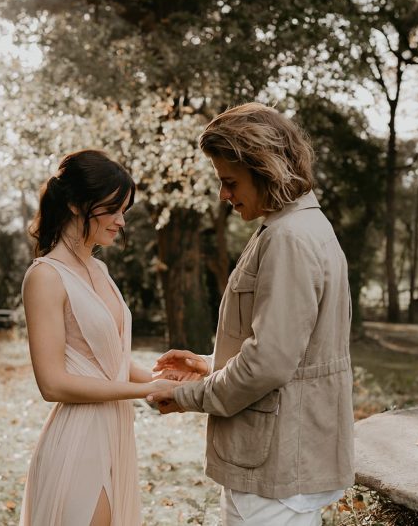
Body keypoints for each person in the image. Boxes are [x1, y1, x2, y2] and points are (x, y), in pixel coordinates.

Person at [148, 103, 354, 525]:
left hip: (277, 467)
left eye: (230, 181)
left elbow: (269, 364)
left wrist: (186, 396)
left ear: (266, 170)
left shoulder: (289, 238)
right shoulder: (295, 228)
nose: (224, 195)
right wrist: (208, 363)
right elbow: (290, 349)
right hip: (278, 460)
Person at [18, 149, 180, 526]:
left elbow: (109, 361)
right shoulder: (45, 276)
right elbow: (53, 384)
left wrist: (165, 377)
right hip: (78, 440)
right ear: (76, 204)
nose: (122, 222)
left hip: (115, 432)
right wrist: (146, 392)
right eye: (113, 209)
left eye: (125, 211)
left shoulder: (100, 269)